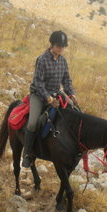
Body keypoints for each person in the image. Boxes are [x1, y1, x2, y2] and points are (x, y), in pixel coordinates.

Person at [21, 30, 77, 168]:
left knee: (74, 110)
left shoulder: (63, 60)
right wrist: (48, 98)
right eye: (58, 46)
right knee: (33, 123)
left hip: (56, 93)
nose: (61, 49)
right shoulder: (42, 60)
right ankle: (27, 154)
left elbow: (66, 80)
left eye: (63, 46)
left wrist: (71, 94)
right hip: (39, 95)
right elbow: (38, 83)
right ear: (52, 44)